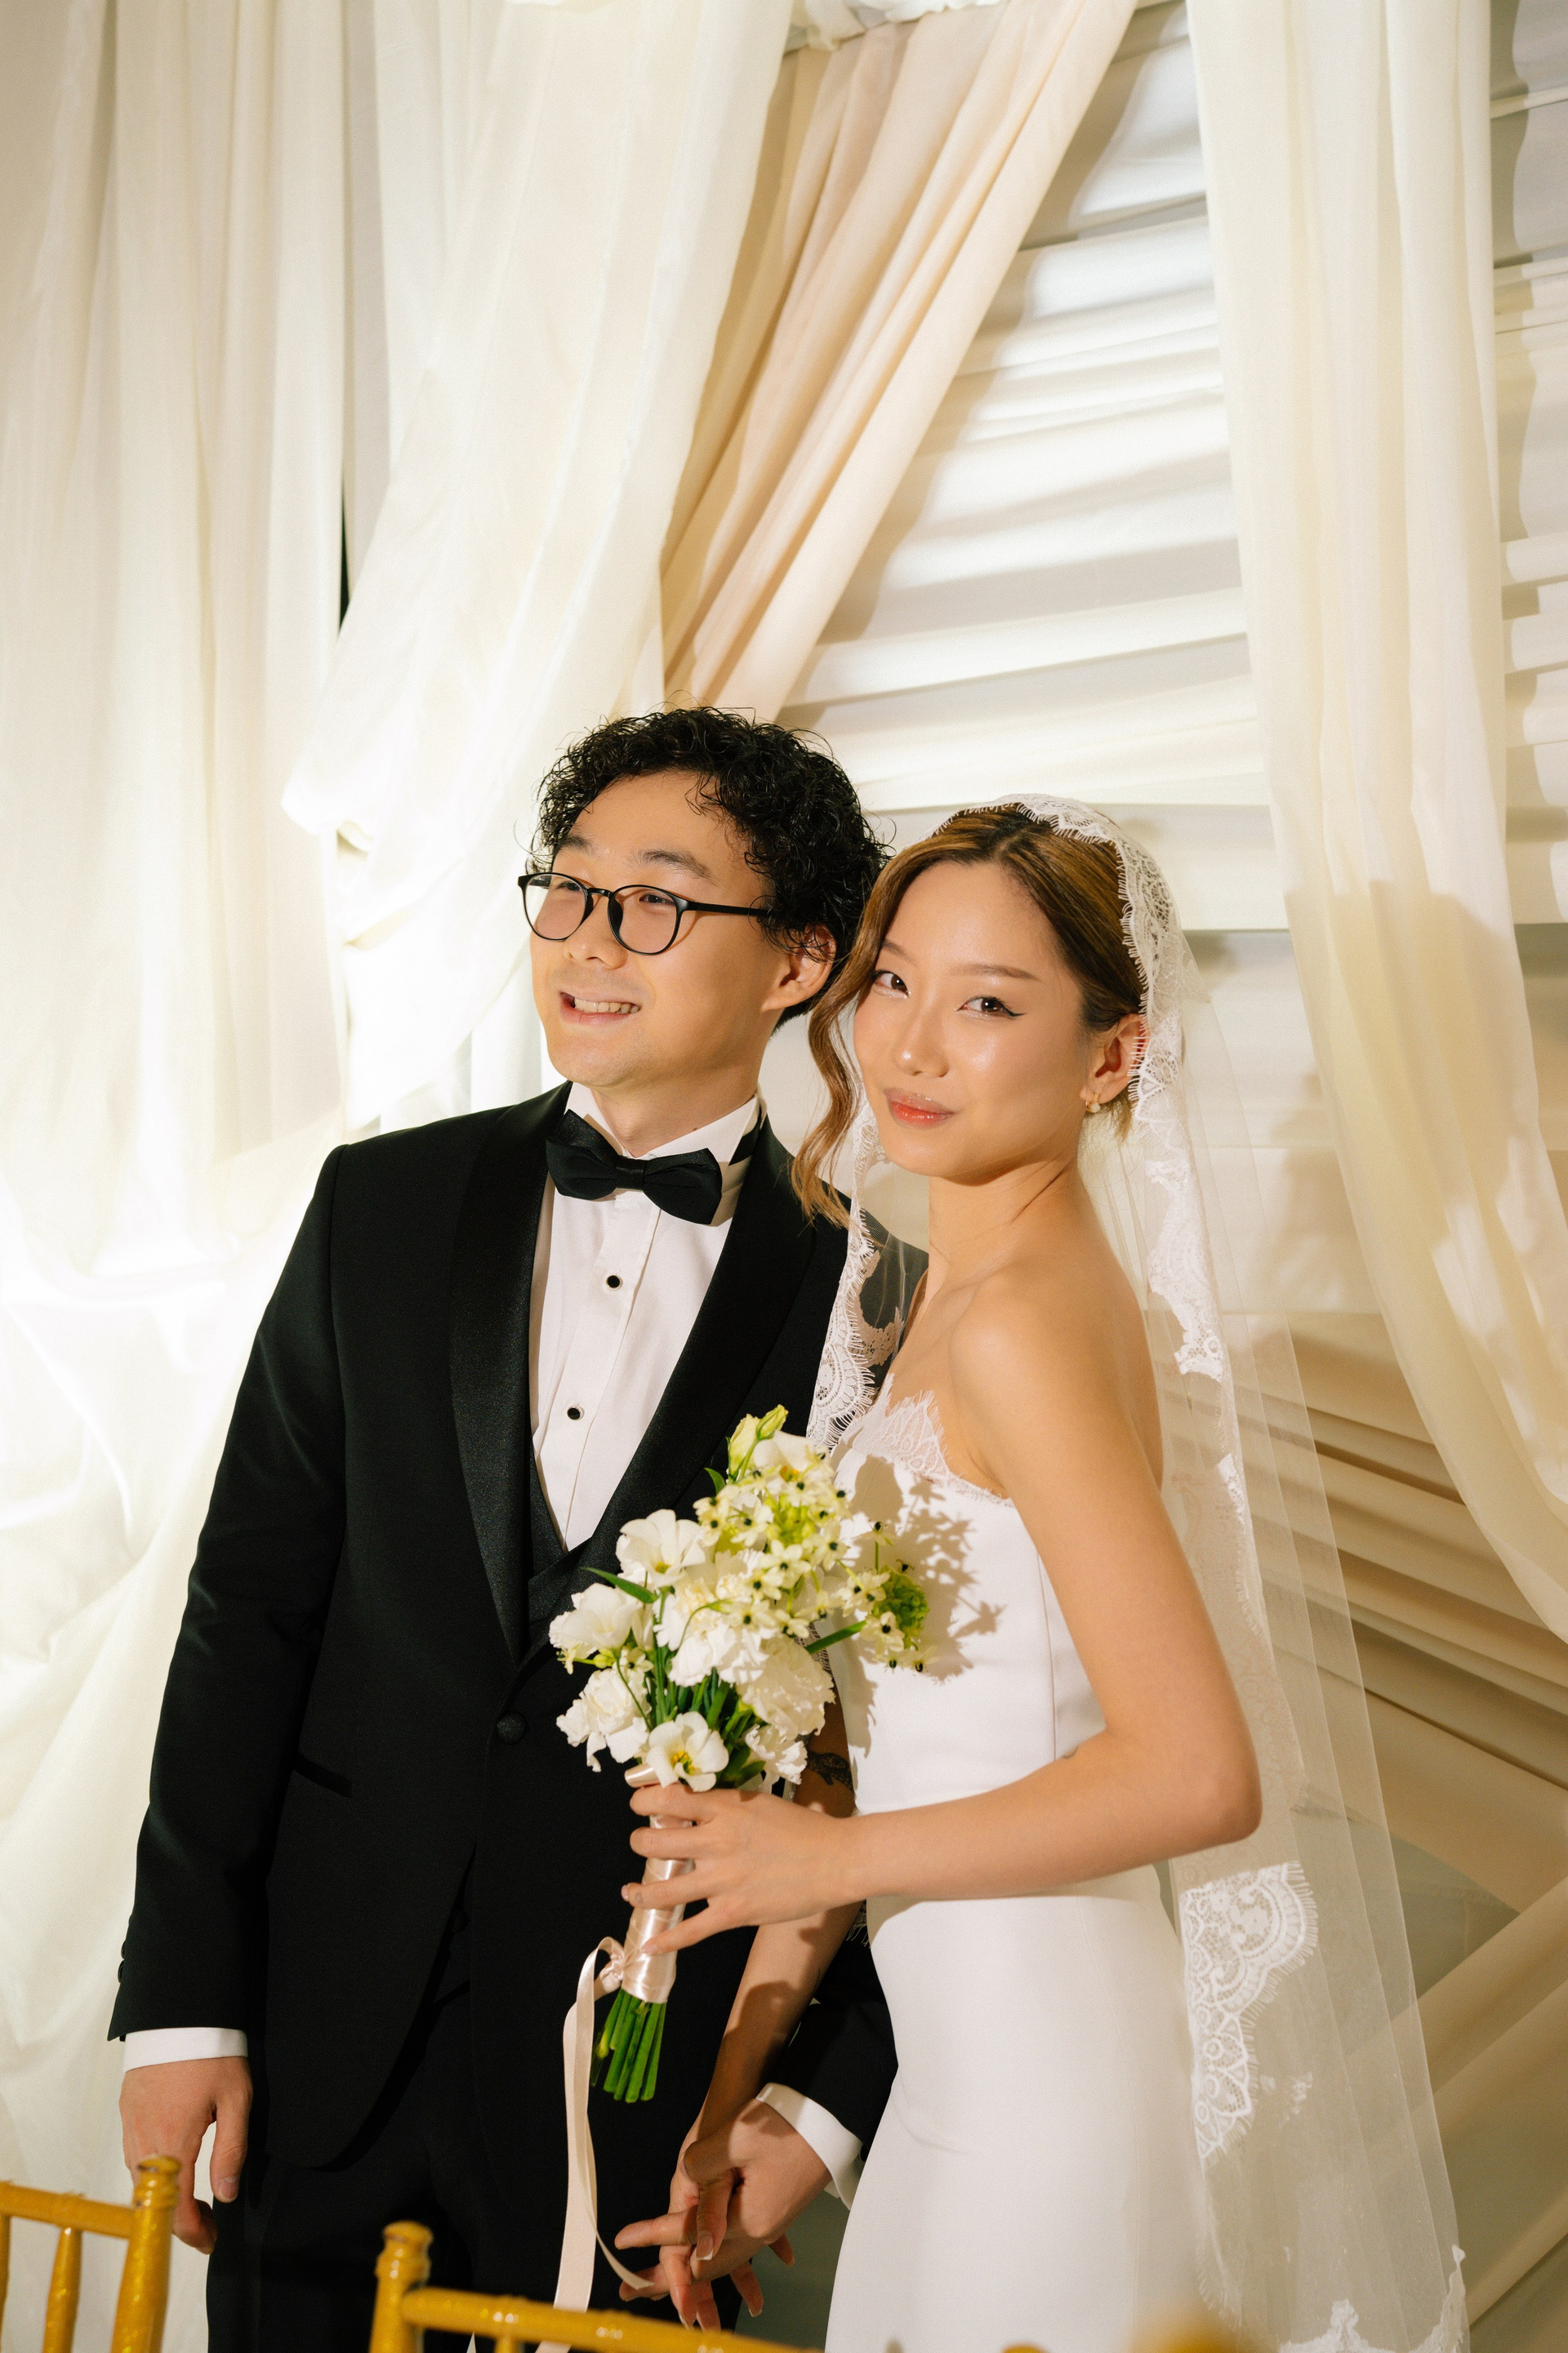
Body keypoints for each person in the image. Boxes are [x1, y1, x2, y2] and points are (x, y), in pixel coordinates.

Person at [111, 708, 903, 2351]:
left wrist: (815, 2109)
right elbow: (248, 1606)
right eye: (568, 887)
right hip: (319, 2039)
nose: (587, 940)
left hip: (650, 2089)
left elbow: (934, 1748)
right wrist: (183, 2005)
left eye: (655, 900)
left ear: (800, 960)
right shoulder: (380, 1205)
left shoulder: (875, 1299)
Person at [614, 802, 1264, 2353]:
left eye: (987, 1003)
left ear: (1112, 1056)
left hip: (1050, 2081)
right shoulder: (945, 1305)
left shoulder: (1023, 1324)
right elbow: (905, 1751)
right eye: (896, 980)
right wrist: (735, 2095)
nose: (909, 1043)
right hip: (950, 2085)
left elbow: (1198, 1772)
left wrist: (819, 1859)